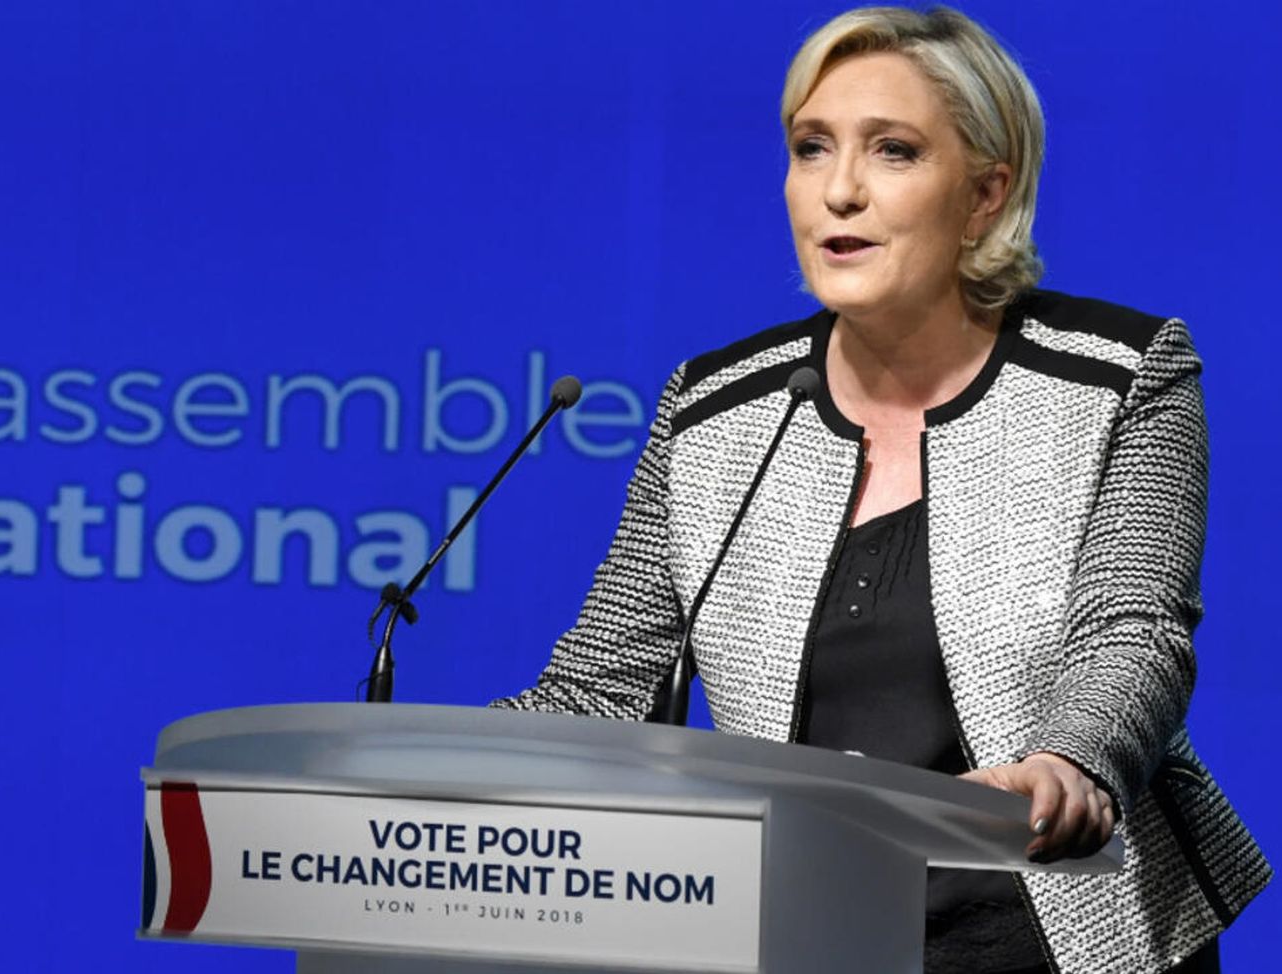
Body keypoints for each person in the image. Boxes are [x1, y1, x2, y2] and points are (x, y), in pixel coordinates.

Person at [491, 6, 1270, 973]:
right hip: (810, 938)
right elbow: (605, 689)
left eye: (893, 151)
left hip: (1064, 935)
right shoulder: (715, 411)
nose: (840, 191)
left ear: (985, 193)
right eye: (810, 149)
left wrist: (1073, 761)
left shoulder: (1115, 378)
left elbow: (1133, 631)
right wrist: (416, 773)